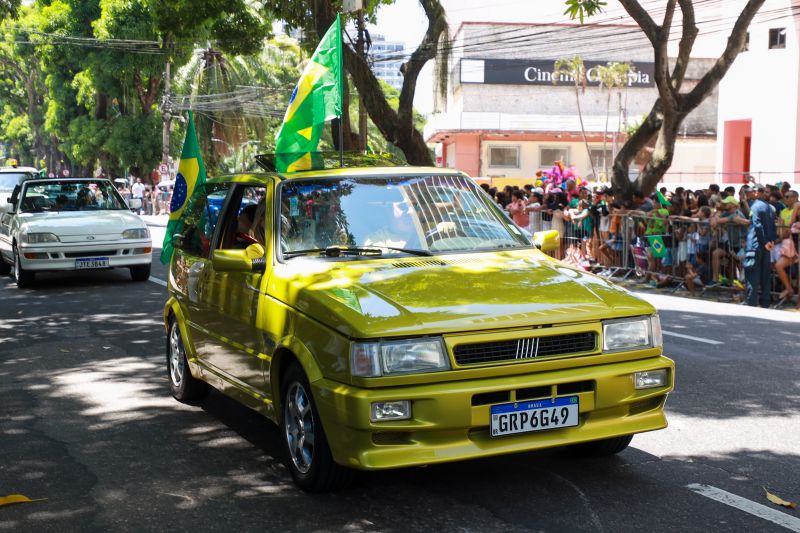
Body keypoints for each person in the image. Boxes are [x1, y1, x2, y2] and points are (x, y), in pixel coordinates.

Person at [744, 184, 778, 307]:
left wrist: (764, 242)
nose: (749, 193)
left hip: (756, 245)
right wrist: (771, 242)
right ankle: (765, 303)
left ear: (757, 193)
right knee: (765, 276)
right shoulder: (769, 207)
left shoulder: (756, 206)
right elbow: (773, 226)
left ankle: (751, 302)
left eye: (751, 191)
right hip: (766, 246)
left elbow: (757, 225)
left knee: (752, 275)